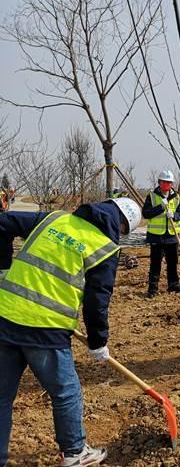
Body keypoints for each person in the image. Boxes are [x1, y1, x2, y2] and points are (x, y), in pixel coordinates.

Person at [0, 197, 141, 467]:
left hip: (5, 316)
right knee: (66, 392)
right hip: (46, 329)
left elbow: (2, 222)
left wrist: (3, 267)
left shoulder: (53, 218)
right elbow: (97, 299)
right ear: (121, 226)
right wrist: (99, 341)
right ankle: (75, 452)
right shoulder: (106, 247)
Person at [142, 170, 180, 299]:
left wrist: (174, 215)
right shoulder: (152, 196)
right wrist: (160, 207)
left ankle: (173, 284)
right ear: (159, 182)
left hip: (172, 235)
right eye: (164, 182)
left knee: (173, 261)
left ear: (172, 184)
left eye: (169, 183)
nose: (167, 185)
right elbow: (146, 213)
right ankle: (153, 288)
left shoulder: (176, 196)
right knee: (155, 263)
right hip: (157, 236)